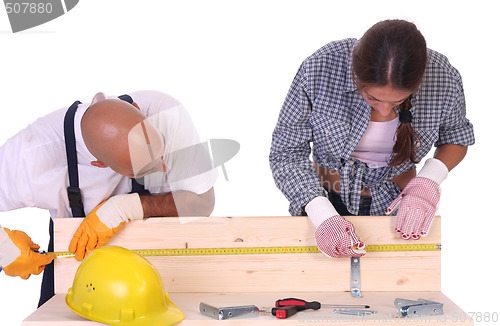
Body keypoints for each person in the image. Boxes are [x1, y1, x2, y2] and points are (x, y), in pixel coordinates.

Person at [269, 19, 474, 258]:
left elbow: (455, 136)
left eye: (397, 101)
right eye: (373, 98)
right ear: (357, 76)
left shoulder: (444, 78)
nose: (385, 111)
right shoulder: (320, 68)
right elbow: (287, 152)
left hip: (400, 205)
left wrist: (428, 180)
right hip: (322, 200)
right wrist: (321, 213)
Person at [0, 90, 218, 305]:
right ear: (100, 164)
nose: (163, 165)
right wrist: (4, 250)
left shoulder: (165, 113)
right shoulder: (27, 157)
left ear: (137, 109)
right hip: (78, 270)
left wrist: (123, 208)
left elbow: (203, 202)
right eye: (145, 170)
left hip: (160, 268)